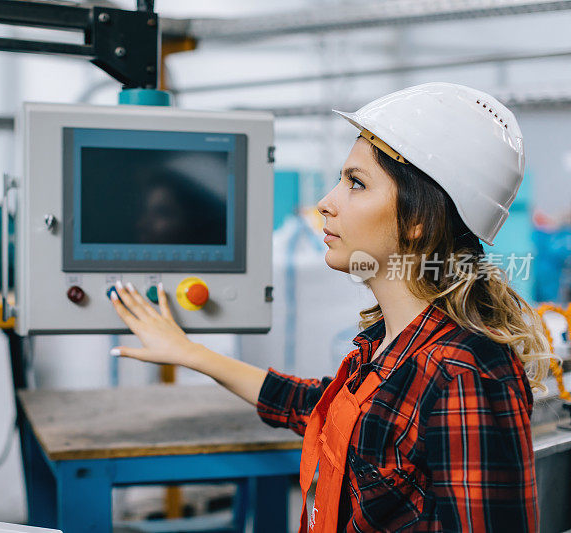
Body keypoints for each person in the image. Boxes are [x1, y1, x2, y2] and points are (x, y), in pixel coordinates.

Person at [108, 82, 551, 532]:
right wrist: (191, 353)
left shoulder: (465, 374)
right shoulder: (387, 344)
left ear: (417, 219)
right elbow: (319, 407)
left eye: (356, 183)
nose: (325, 203)